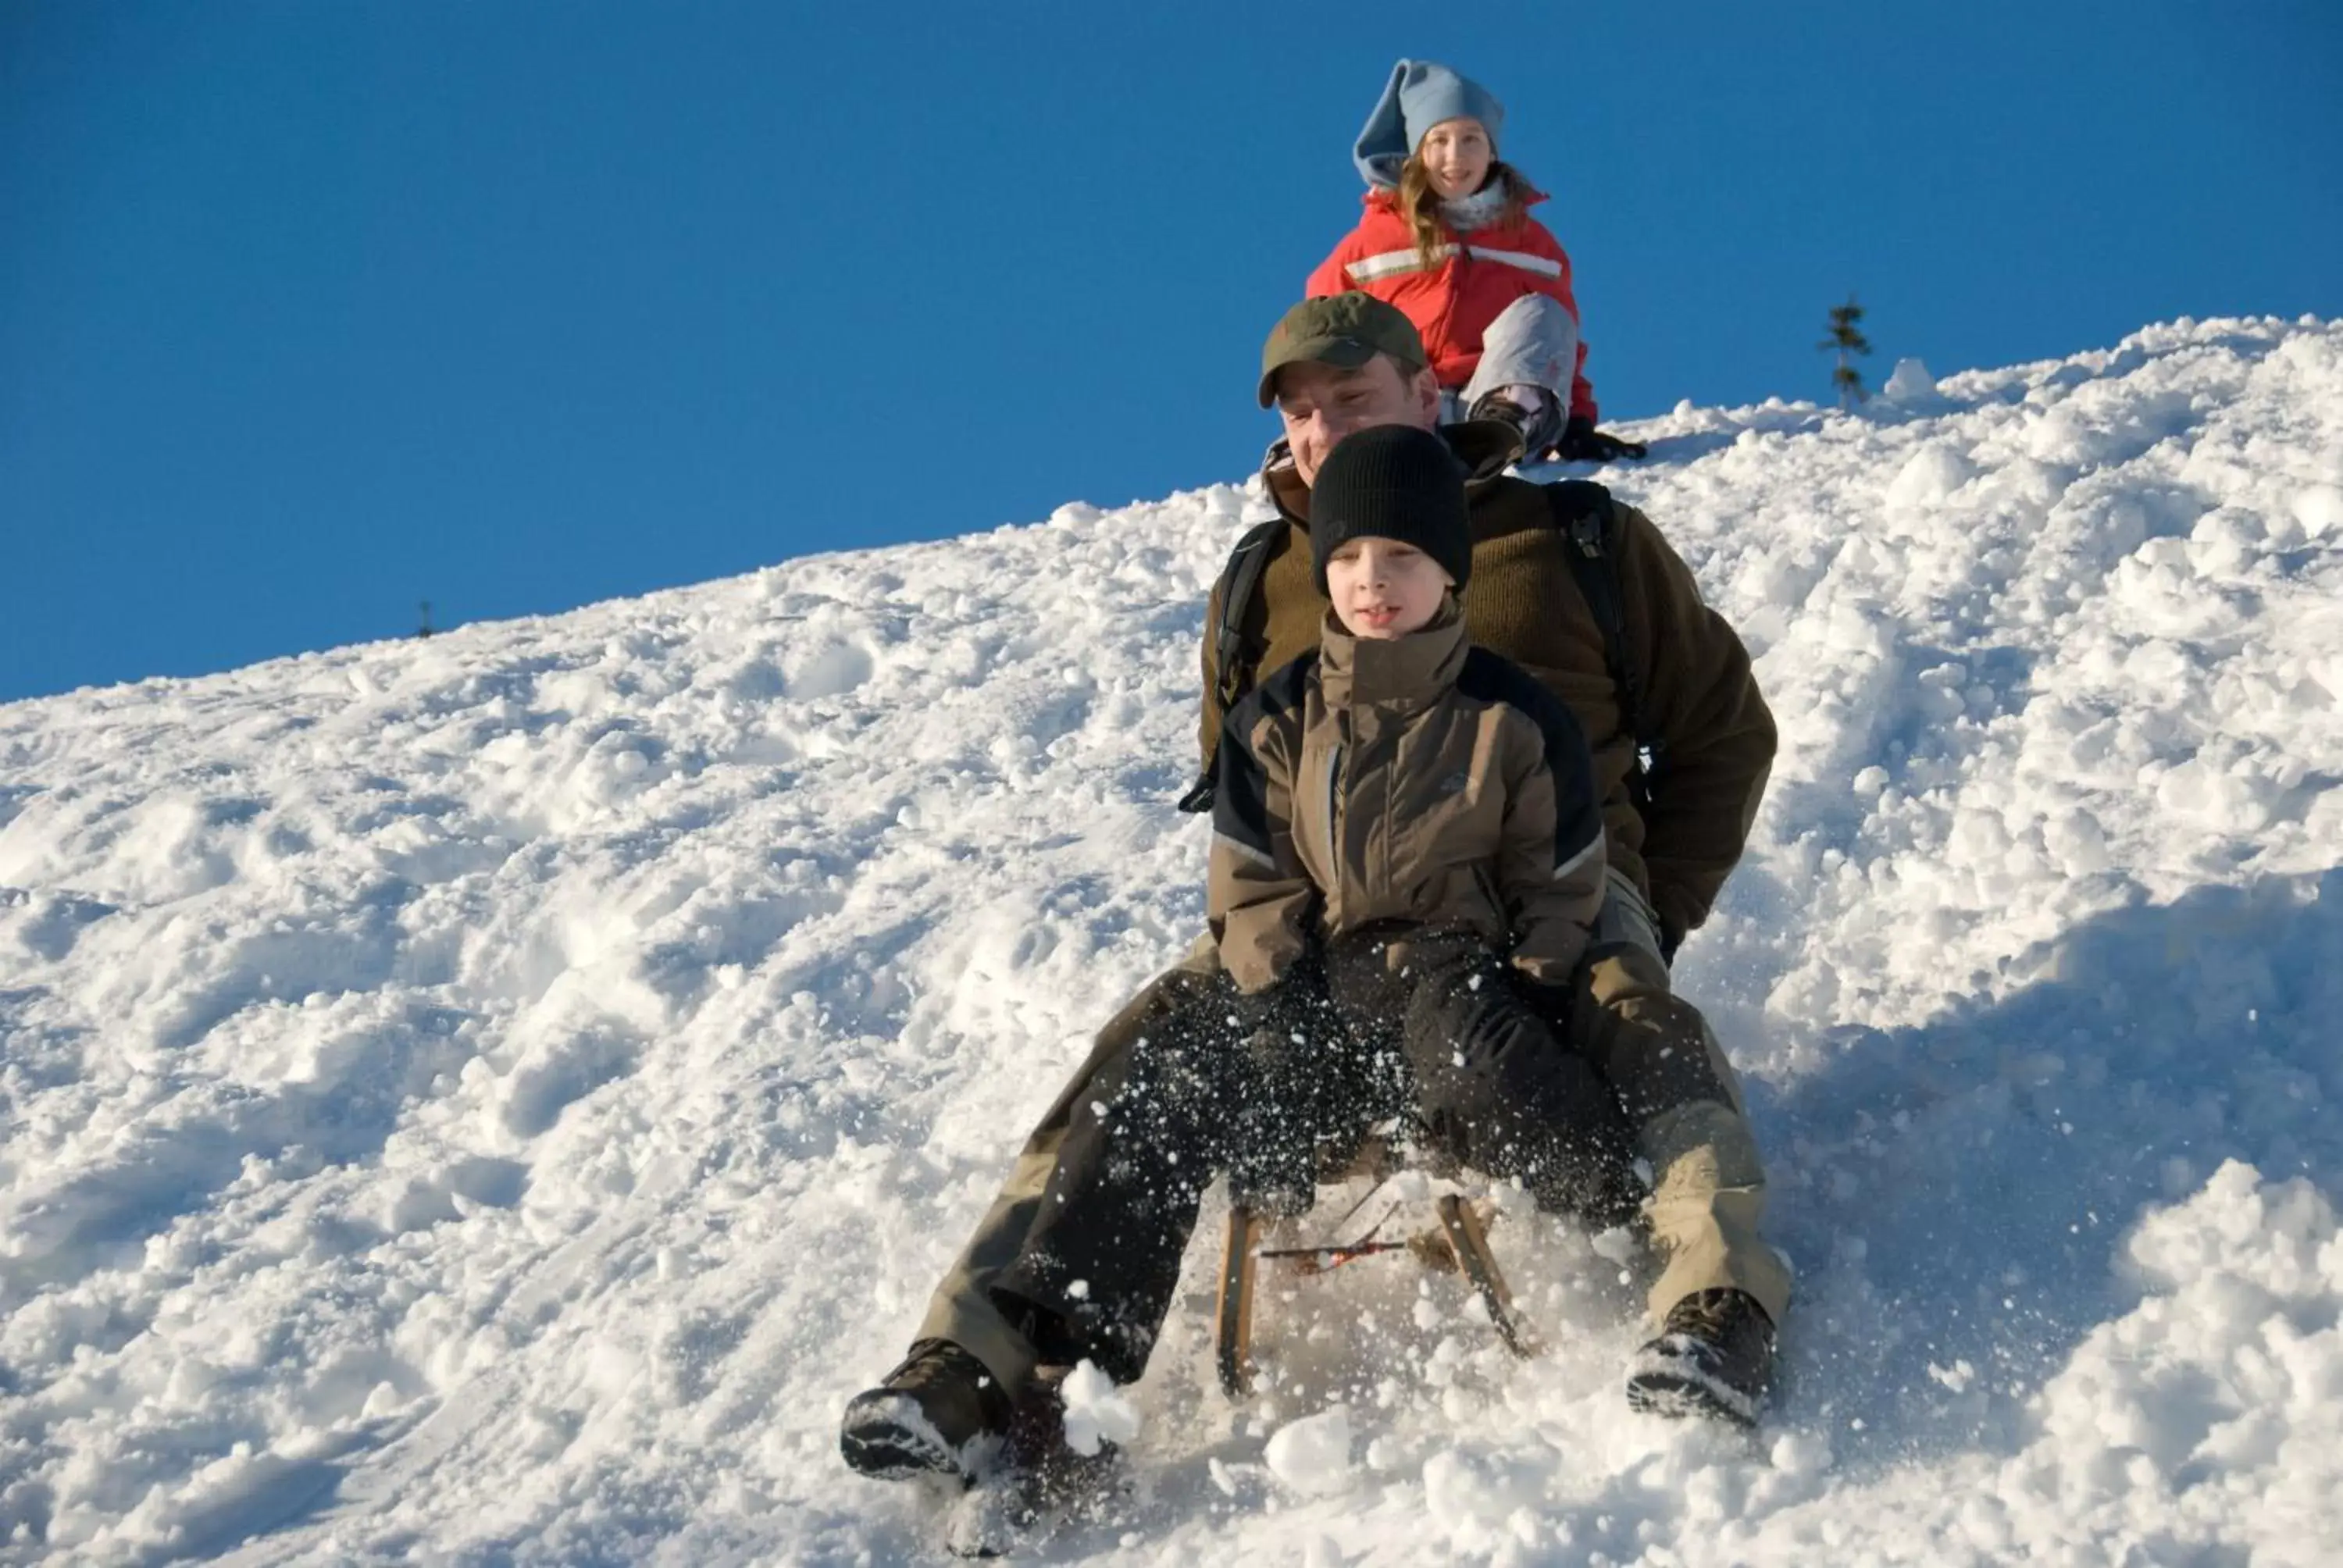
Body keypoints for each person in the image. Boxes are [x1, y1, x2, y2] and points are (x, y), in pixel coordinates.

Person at [839, 295, 1785, 1484]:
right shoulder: (1263, 581)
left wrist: (1647, 908)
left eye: (1354, 399)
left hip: (1551, 885)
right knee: (1145, 1044)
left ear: (1426, 396)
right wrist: (1263, 958)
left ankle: (1718, 1303)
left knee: (1649, 1034)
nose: (1324, 429)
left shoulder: (1573, 542)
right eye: (1302, 411)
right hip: (1327, 915)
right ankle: (980, 1367)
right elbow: (1242, 809)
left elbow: (1723, 737)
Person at [982, 426, 1646, 1383]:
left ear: (1450, 571)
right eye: (1347, 558)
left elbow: (1561, 871)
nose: (1372, 580)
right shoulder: (1280, 715)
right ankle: (1067, 1349)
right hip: (1321, 985)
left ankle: (1620, 1218)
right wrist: (1270, 999)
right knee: (1167, 1071)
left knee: (1489, 1065)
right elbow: (1252, 879)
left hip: (1456, 972)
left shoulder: (1512, 714)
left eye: (1402, 556)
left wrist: (1538, 982)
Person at [1306, 58, 1647, 466]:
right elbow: (1319, 339)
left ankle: (1499, 435)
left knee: (1542, 312)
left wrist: (1576, 421)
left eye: (1471, 139)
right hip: (1406, 409)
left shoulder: (1533, 245)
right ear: (1416, 153)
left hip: (1491, 402)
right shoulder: (1368, 247)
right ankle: (1386, 450)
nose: (1456, 156)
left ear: (1492, 152)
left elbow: (1555, 341)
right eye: (1440, 141)